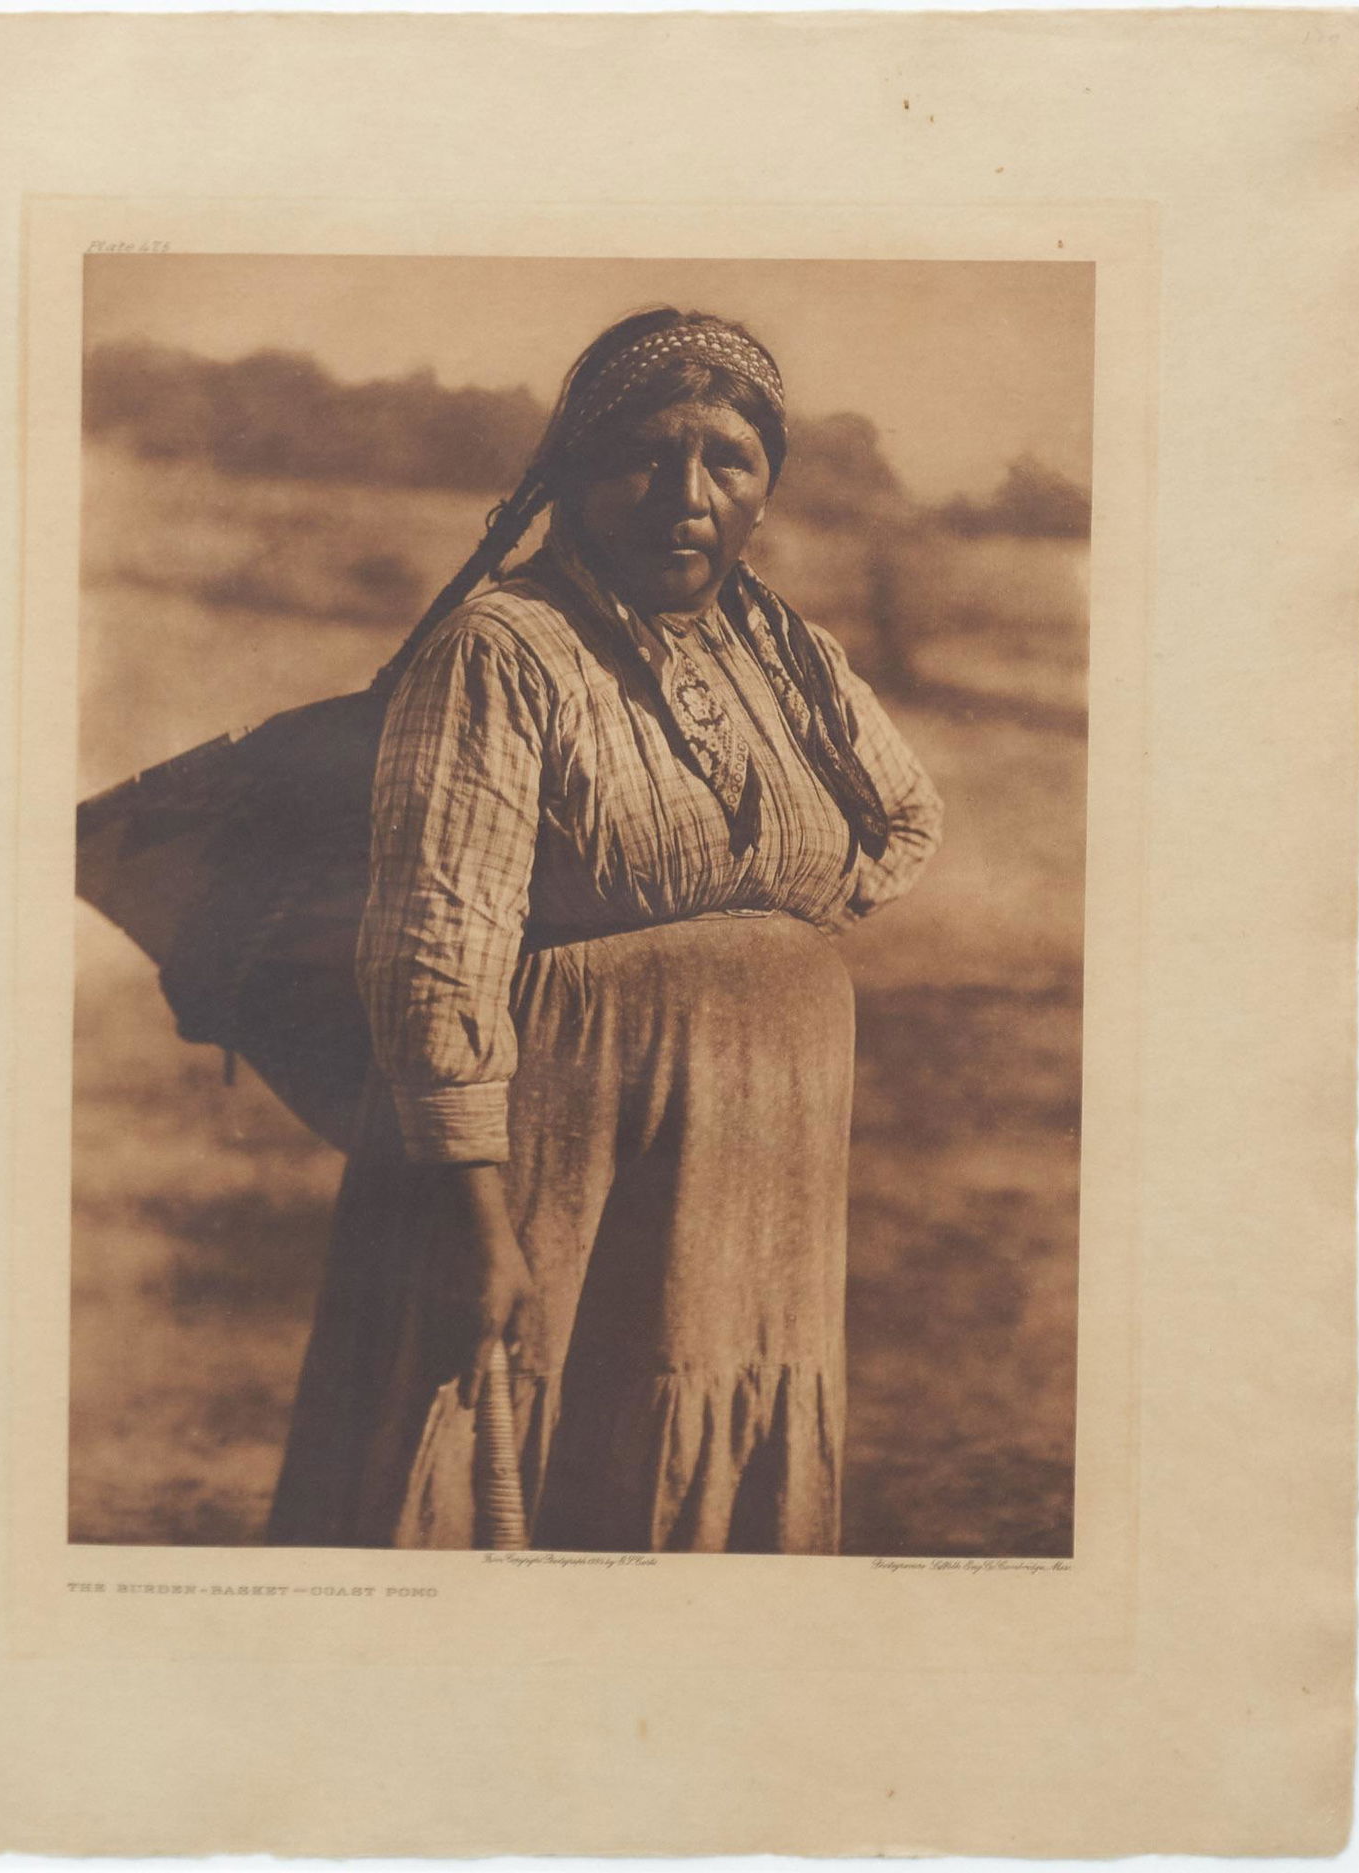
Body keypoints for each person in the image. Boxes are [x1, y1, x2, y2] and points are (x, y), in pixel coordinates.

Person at [265, 307, 943, 1554]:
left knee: (706, 1458)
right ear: (574, 472)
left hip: (757, 1174)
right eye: (643, 455)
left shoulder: (784, 653)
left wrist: (763, 943)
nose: (686, 496)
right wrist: (472, 1214)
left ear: (766, 487)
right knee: (523, 1455)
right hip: (557, 1157)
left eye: (728, 461)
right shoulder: (502, 649)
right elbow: (436, 938)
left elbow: (902, 819)